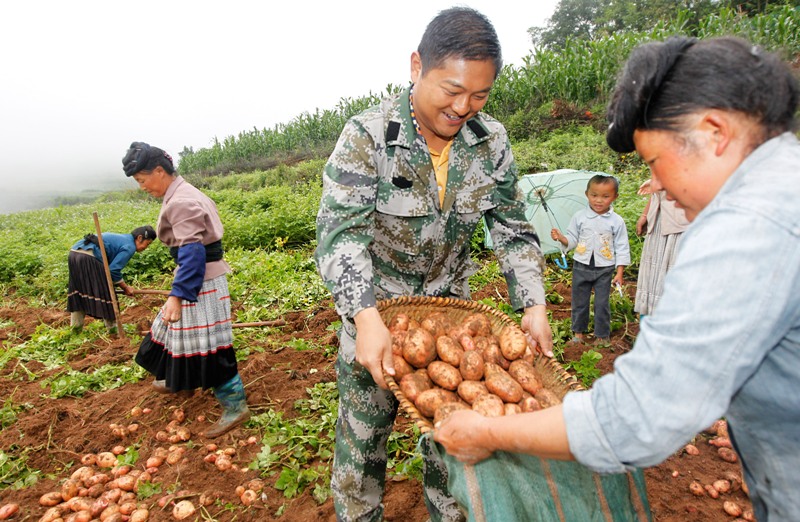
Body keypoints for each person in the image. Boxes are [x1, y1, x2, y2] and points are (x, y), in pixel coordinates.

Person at [434, 35, 800, 522]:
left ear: (715, 132)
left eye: (654, 163)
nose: (659, 187)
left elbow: (636, 418)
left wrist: (486, 432)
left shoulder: (747, 228)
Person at [314, 7, 553, 521]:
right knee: (362, 439)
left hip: (450, 318)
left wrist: (532, 303)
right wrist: (365, 317)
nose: (464, 106)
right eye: (451, 89)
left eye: (480, 95)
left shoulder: (491, 142)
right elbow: (339, 238)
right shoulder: (368, 137)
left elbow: (511, 226)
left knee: (454, 445)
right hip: (374, 318)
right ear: (417, 64)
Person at [122, 142, 250, 438]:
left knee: (211, 345)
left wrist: (177, 295)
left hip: (200, 280)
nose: (142, 187)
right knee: (171, 328)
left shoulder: (181, 201)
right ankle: (177, 377)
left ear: (158, 171)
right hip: (196, 277)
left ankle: (235, 406)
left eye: (142, 180)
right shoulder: (183, 193)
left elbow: (192, 253)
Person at [550, 174, 630, 344]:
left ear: (615, 197)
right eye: (594, 195)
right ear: (587, 194)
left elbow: (622, 246)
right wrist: (562, 238)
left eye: (605, 196)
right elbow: (572, 239)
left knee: (602, 303)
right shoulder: (580, 217)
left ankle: (602, 335)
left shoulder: (616, 221)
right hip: (582, 265)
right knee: (579, 301)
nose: (599, 200)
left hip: (605, 268)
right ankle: (578, 334)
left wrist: (620, 272)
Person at [67, 225, 156, 331]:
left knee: (79, 290)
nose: (146, 248)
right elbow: (113, 271)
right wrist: (126, 288)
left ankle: (75, 328)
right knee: (107, 292)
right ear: (140, 238)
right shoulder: (130, 246)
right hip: (89, 256)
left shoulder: (123, 239)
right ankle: (113, 328)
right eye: (148, 243)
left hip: (74, 253)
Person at [634, 179, 689, 316]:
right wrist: (645, 215)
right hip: (658, 222)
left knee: (671, 279)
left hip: (679, 225)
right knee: (651, 281)